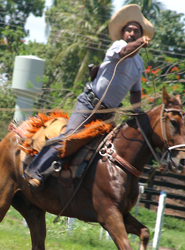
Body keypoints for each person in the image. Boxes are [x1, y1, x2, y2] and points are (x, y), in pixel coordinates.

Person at [24, 4, 154, 190]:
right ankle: (35, 171)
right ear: (123, 33)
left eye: (136, 31)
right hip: (88, 104)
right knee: (71, 137)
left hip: (108, 115)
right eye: (129, 30)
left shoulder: (139, 63)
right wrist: (140, 42)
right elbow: (126, 52)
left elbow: (135, 92)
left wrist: (138, 111)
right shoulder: (118, 46)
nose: (132, 34)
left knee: (107, 151)